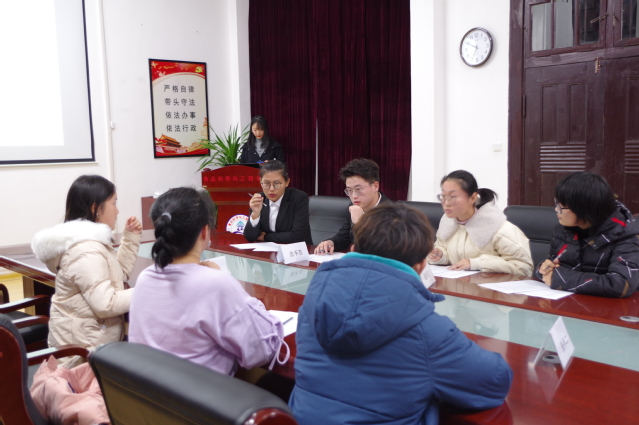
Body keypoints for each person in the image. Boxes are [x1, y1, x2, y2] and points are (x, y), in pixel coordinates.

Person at [290, 204, 513, 425]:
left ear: (353, 248)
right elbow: (494, 381)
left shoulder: (314, 299)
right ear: (421, 266)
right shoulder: (427, 330)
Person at [129, 187, 288, 375]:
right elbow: (262, 349)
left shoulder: (146, 277)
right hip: (202, 392)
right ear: (204, 232)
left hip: (152, 389)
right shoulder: (215, 283)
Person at [31, 175, 142, 367]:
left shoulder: (88, 243)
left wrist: (131, 238)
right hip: (81, 358)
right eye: (114, 203)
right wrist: (148, 290)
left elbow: (118, 275)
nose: (117, 211)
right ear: (95, 208)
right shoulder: (86, 250)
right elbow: (106, 304)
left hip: (87, 344)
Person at [535, 172, 639, 297]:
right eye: (557, 203)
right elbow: (554, 266)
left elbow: (621, 284)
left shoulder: (625, 236)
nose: (556, 209)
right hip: (569, 301)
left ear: (584, 208)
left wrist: (560, 279)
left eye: (562, 206)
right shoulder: (563, 229)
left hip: (610, 307)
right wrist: (543, 269)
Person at [427, 170, 533, 276]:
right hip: (458, 283)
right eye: (443, 196)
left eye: (452, 197)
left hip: (491, 285)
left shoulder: (500, 228)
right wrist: (440, 256)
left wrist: (477, 263)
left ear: (473, 198)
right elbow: (446, 251)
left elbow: (524, 268)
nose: (446, 203)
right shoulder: (447, 224)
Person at [314, 158, 392, 255]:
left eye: (358, 189)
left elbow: (381, 249)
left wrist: (359, 223)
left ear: (375, 186)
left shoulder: (393, 213)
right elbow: (344, 237)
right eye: (349, 190)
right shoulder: (353, 206)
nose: (354, 196)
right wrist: (331, 242)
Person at [243, 160, 313, 244]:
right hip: (267, 250)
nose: (271, 189)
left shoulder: (299, 198)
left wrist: (266, 237)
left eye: (277, 183)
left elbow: (297, 236)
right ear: (261, 182)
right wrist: (255, 214)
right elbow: (250, 237)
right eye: (266, 183)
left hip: (296, 250)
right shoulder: (259, 199)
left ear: (287, 182)